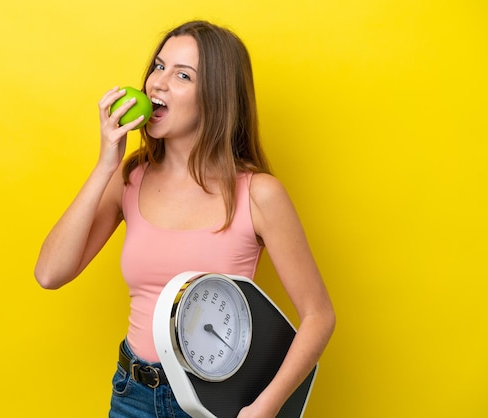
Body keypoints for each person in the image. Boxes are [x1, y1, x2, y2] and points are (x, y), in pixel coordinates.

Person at [34, 20, 335, 418]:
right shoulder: (129, 177)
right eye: (158, 67)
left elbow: (319, 316)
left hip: (216, 403)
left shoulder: (257, 194)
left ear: (216, 96)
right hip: (133, 395)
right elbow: (50, 274)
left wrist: (265, 406)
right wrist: (105, 164)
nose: (157, 83)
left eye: (182, 75)